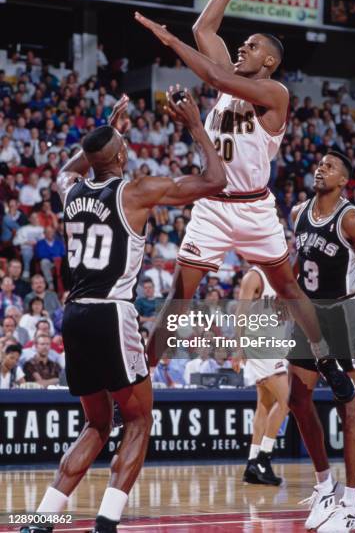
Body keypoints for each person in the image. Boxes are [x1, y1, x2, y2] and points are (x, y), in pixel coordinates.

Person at [135, 0, 355, 403]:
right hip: (213, 205)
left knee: (290, 289)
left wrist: (170, 41)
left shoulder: (275, 94)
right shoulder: (230, 83)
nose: (243, 47)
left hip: (255, 207)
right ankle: (139, 381)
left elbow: (215, 77)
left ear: (269, 63)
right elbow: (205, 26)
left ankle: (325, 358)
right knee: (178, 296)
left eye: (252, 46)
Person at [23, 92, 225, 533]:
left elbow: (65, 169)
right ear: (121, 153)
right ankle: (107, 521)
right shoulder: (136, 191)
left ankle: (40, 521)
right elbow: (214, 180)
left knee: (96, 424)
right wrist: (195, 125)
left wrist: (105, 133)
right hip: (113, 313)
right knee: (137, 420)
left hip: (73, 316)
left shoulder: (70, 190)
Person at [288, 151, 355, 531]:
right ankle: (324, 486)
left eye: (329, 167)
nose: (320, 169)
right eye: (319, 164)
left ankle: (350, 503)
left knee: (348, 405)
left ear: (344, 180)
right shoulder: (298, 211)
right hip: (308, 314)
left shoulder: (352, 221)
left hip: (342, 315)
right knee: (297, 397)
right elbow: (300, 261)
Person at [238, 266, 289, 486]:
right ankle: (264, 458)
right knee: (288, 399)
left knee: (265, 404)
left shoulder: (278, 275)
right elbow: (241, 313)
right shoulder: (254, 276)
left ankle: (252, 462)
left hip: (274, 343)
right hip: (259, 343)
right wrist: (238, 347)